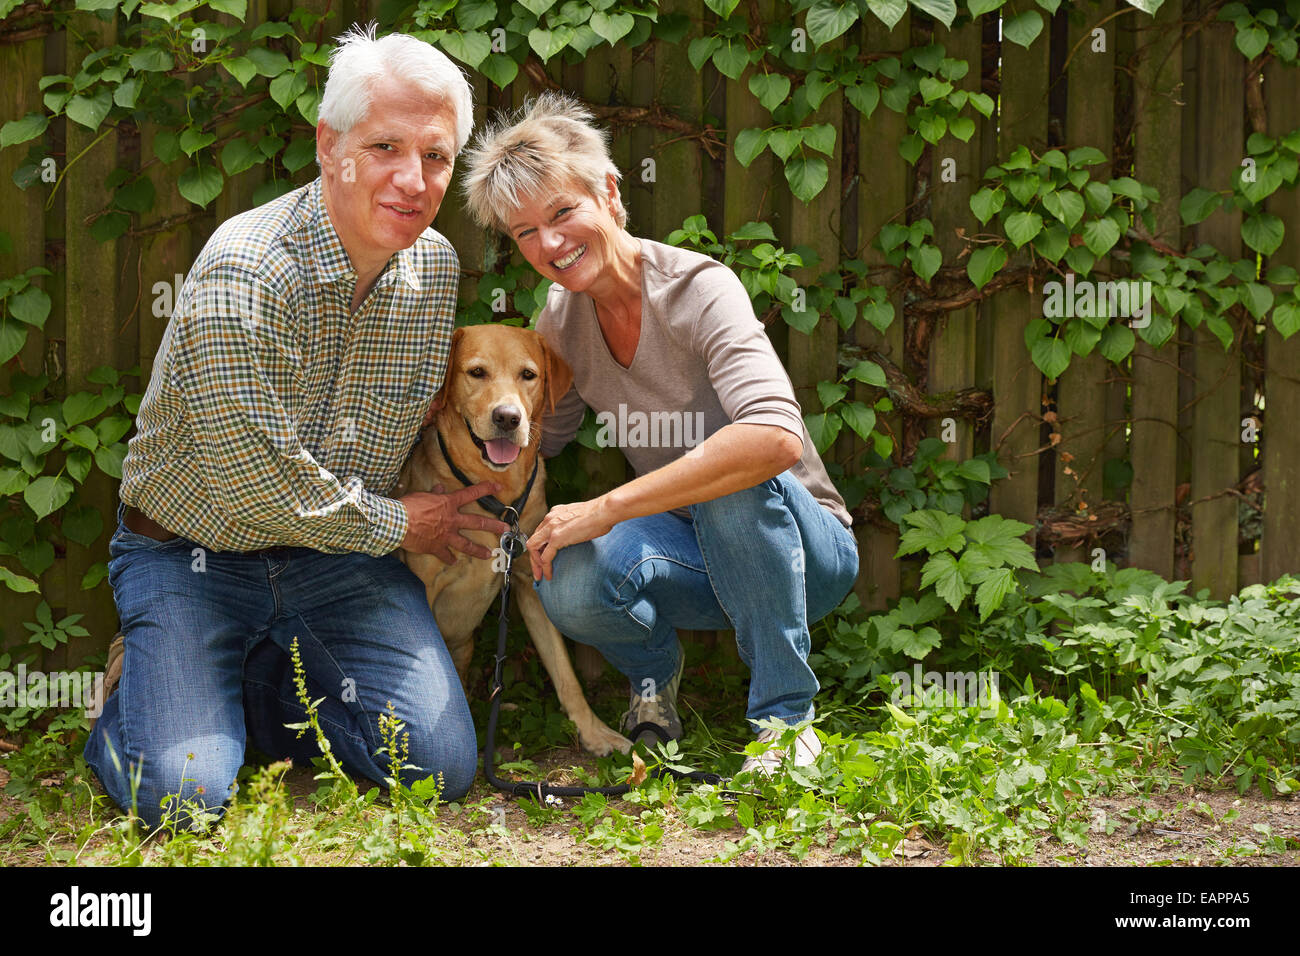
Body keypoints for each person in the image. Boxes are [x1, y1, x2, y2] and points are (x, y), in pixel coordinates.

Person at [83, 24, 507, 829]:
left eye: (437, 156)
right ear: (329, 145)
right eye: (386, 146)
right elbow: (253, 489)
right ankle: (143, 692)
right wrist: (401, 522)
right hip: (193, 552)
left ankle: (236, 682)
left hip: (337, 564)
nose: (414, 179)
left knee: (440, 767)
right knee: (182, 795)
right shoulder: (246, 270)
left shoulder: (437, 268)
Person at [461, 93, 860, 776]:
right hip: (690, 554)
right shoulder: (561, 322)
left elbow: (774, 441)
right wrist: (457, 478)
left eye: (562, 213)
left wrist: (609, 507)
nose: (550, 244)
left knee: (732, 477)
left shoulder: (702, 290)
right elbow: (539, 439)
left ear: (609, 193)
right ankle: (653, 686)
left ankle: (785, 722)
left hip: (800, 554)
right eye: (525, 232)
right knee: (563, 572)